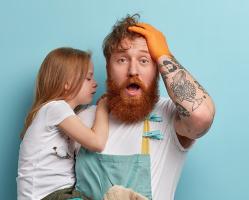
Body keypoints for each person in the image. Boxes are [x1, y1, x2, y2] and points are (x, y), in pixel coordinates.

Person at [75, 14, 215, 200]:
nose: (133, 71)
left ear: (157, 69)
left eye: (144, 60)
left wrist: (164, 56)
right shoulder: (79, 121)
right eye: (122, 60)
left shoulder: (170, 118)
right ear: (108, 67)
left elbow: (202, 116)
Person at [17, 47, 109, 200]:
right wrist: (103, 109)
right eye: (88, 78)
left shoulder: (61, 113)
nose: (95, 84)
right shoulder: (55, 108)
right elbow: (97, 143)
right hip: (46, 196)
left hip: (62, 193)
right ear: (67, 83)